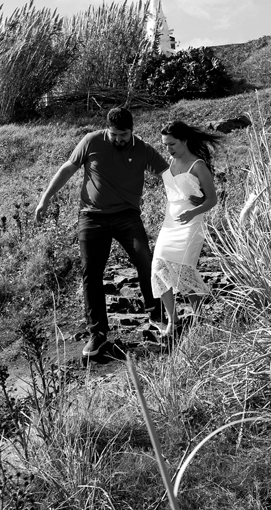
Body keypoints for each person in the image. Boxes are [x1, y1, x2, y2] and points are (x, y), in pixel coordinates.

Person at [34, 107, 196, 359]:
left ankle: (157, 314)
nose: (119, 139)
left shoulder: (141, 149)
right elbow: (69, 167)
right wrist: (45, 198)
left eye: (124, 135)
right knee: (91, 273)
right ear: (106, 129)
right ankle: (97, 334)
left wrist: (191, 192)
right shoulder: (91, 141)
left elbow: (168, 174)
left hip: (126, 217)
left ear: (132, 130)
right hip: (91, 217)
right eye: (114, 135)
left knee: (146, 259)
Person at [151, 121, 222, 340]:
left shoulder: (198, 165)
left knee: (182, 270)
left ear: (184, 141)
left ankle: (199, 316)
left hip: (191, 223)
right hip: (170, 223)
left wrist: (194, 211)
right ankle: (173, 320)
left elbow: (212, 200)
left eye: (171, 144)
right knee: (158, 267)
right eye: (164, 145)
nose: (168, 149)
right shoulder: (171, 162)